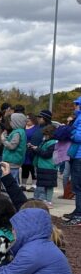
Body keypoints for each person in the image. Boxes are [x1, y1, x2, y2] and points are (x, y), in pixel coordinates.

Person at [30, 124, 57, 208]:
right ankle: (44, 200)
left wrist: (37, 149)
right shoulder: (45, 142)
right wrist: (34, 148)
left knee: (48, 186)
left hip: (48, 167)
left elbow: (47, 154)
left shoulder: (53, 143)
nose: (44, 136)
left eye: (46, 135)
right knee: (43, 185)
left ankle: (48, 201)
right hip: (42, 166)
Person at [63, 96, 81, 225]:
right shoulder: (78, 118)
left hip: (79, 155)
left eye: (76, 104)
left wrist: (70, 132)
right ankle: (77, 211)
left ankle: (79, 215)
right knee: (76, 186)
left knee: (78, 186)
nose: (74, 106)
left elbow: (79, 136)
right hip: (76, 154)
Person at [2, 113, 27, 185]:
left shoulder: (17, 133)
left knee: (9, 181)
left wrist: (3, 139)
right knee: (14, 181)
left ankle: (11, 195)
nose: (10, 122)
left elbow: (12, 146)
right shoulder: (20, 131)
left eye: (11, 121)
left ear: (17, 122)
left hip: (12, 161)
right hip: (15, 160)